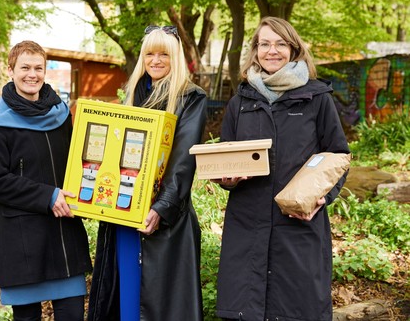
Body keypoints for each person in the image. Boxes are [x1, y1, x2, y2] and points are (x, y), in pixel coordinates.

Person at [213, 17, 350, 321]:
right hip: (247, 225)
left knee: (296, 311)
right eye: (264, 44)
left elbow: (337, 155)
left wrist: (321, 199)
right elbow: (226, 155)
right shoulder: (240, 102)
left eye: (280, 44)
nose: (271, 51)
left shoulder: (317, 98)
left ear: (293, 48)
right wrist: (228, 178)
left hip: (298, 224)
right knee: (244, 310)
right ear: (255, 50)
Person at [88, 25, 208, 321]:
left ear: (175, 57)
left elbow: (183, 161)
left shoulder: (190, 98)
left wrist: (161, 208)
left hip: (165, 218)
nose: (155, 60)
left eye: (163, 54)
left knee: (160, 305)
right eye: (149, 54)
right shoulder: (133, 96)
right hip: (124, 214)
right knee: (127, 300)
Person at [0, 40, 92, 321]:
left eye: (38, 68)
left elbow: (77, 163)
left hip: (63, 236)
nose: (32, 74)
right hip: (22, 242)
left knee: (73, 315)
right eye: (25, 67)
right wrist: (48, 196)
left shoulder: (61, 114)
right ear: (11, 71)